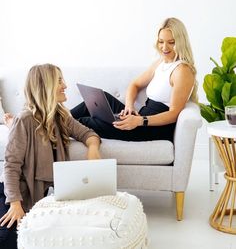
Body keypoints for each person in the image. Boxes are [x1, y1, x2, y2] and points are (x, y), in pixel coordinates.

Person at [0, 64, 101, 249]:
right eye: (60, 81)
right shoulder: (25, 120)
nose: (65, 85)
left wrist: (93, 148)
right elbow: (10, 166)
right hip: (14, 196)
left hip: (37, 198)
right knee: (9, 241)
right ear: (46, 86)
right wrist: (15, 204)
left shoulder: (60, 116)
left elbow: (88, 133)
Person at [71, 17, 198, 142]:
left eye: (171, 42)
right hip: (140, 120)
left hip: (153, 129)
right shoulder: (161, 63)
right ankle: (54, 118)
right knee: (95, 100)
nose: (164, 47)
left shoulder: (182, 70)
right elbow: (135, 84)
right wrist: (129, 107)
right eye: (161, 41)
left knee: (83, 122)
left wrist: (140, 121)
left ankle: (57, 126)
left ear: (181, 42)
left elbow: (174, 113)